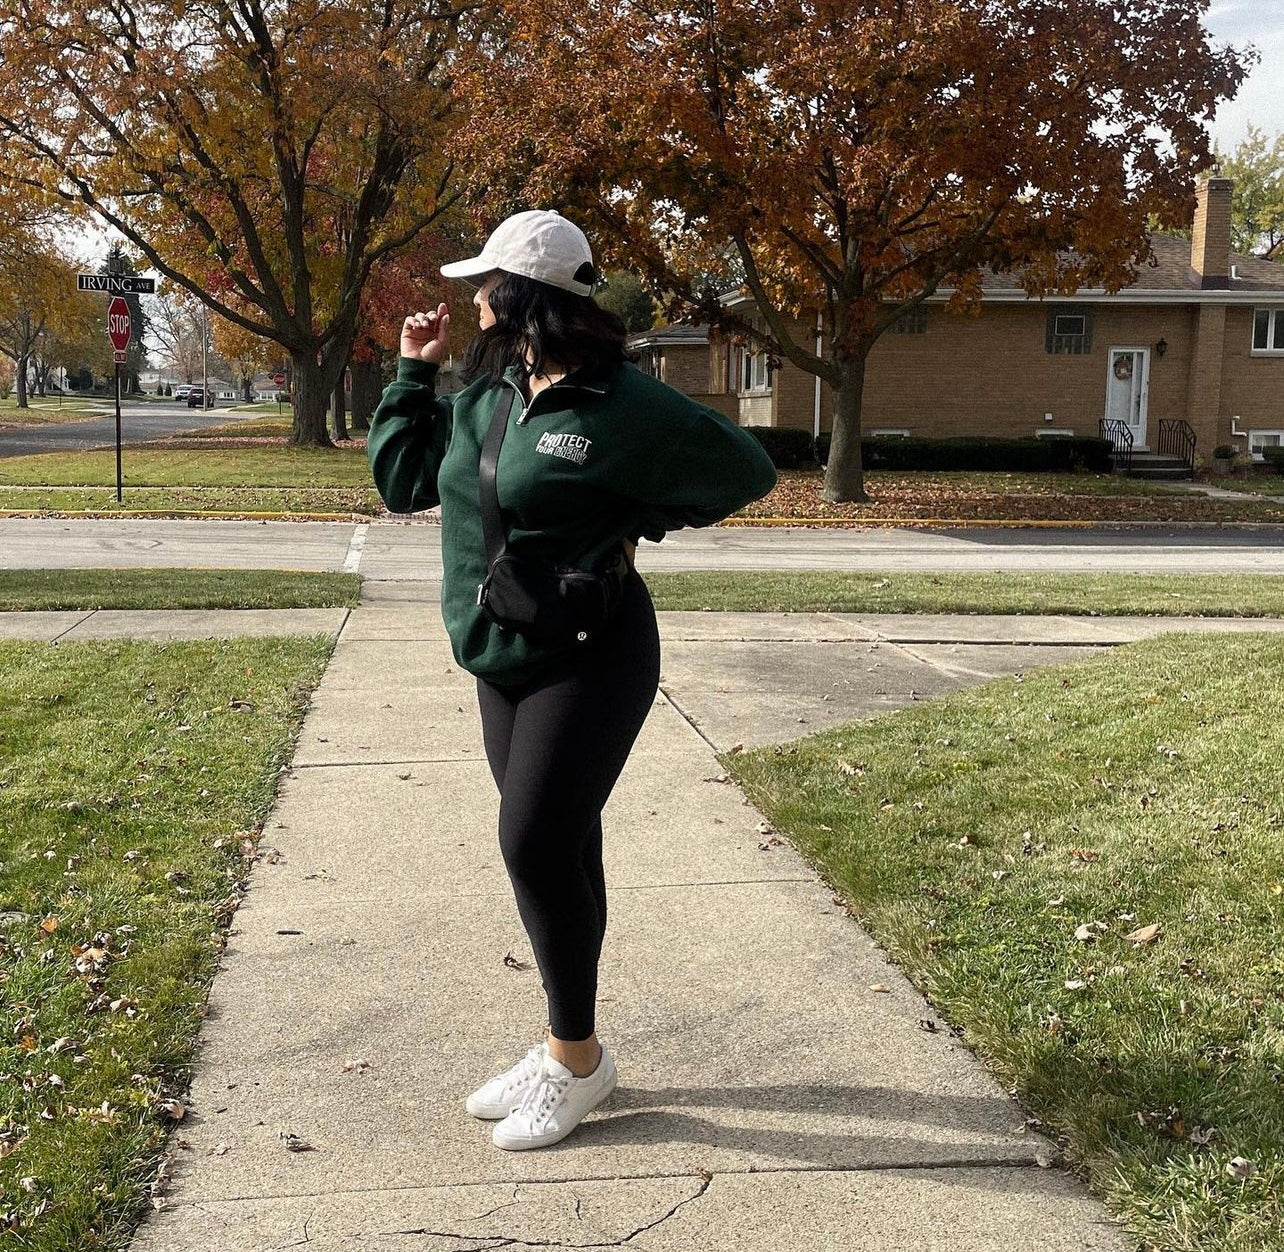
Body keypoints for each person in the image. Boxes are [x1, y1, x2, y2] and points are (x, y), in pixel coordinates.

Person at [367, 209, 777, 1151]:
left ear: (521, 296)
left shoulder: (621, 402)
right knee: (558, 844)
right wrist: (411, 372)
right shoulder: (487, 394)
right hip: (499, 654)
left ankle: (575, 1061)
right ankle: (567, 1049)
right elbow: (402, 485)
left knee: (532, 839)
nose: (473, 299)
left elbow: (744, 469)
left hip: (593, 651)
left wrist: (647, 516)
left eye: (485, 285)